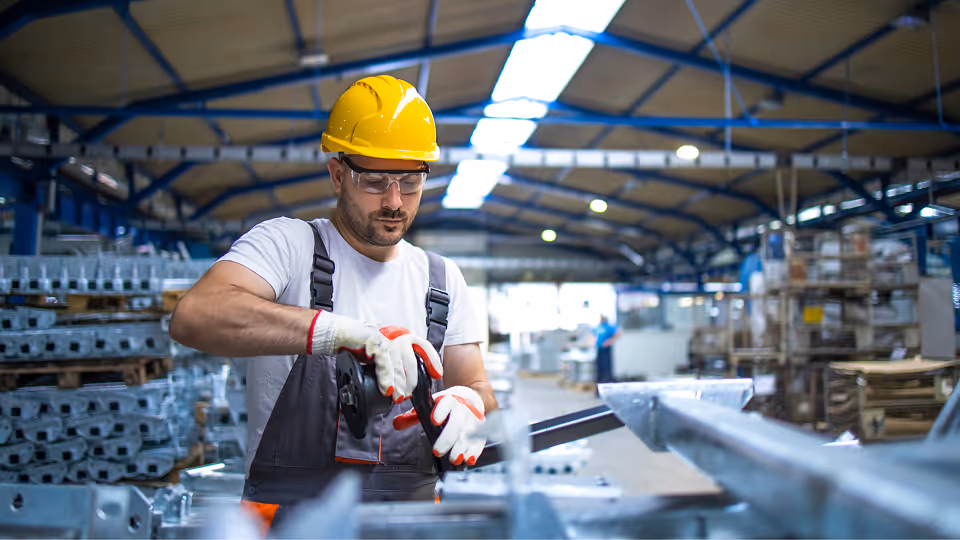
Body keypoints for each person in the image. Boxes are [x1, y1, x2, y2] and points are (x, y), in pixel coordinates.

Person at [169, 75, 497, 531]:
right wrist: (338, 333)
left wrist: (469, 402)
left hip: (411, 524)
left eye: (410, 181)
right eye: (375, 181)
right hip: (289, 525)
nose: (394, 201)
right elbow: (195, 316)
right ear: (338, 174)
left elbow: (478, 387)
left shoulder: (441, 280)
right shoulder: (289, 247)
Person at [594, 314, 621, 386]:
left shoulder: (609, 326)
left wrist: (609, 341)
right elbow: (594, 333)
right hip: (599, 348)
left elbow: (618, 332)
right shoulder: (599, 326)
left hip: (606, 349)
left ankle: (607, 382)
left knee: (606, 367)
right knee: (599, 367)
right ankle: (600, 383)